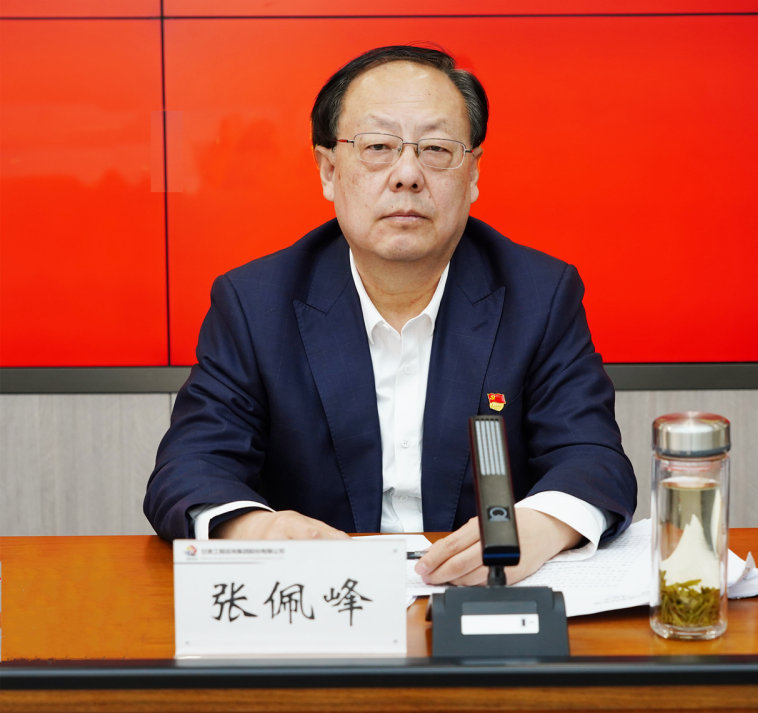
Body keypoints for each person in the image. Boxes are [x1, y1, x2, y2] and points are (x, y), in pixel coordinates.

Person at [144, 45, 636, 587]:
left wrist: (540, 525)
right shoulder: (255, 303)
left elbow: (593, 458)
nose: (407, 174)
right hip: (326, 602)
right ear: (329, 170)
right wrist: (259, 530)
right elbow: (189, 467)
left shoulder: (539, 295)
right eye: (378, 146)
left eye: (437, 149)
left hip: (479, 595)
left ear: (473, 173)